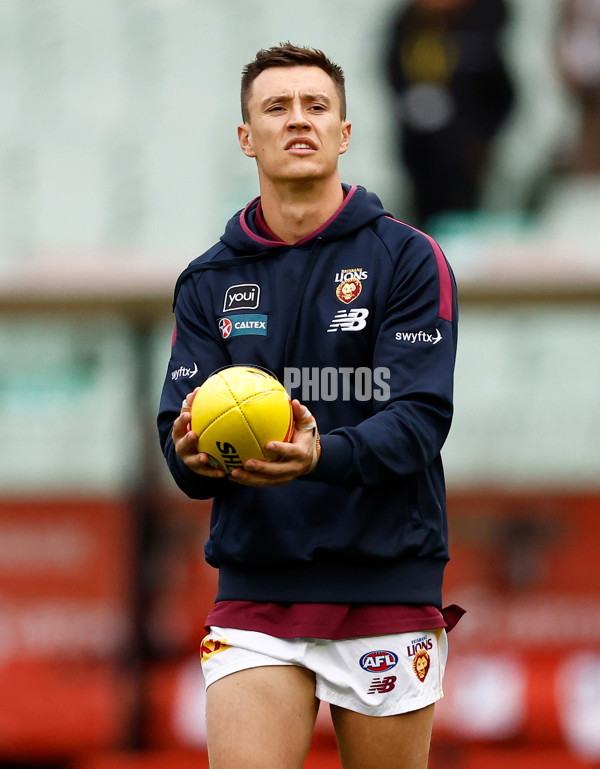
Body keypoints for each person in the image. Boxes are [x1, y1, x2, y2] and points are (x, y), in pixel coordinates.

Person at [157, 43, 462, 769]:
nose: (299, 121)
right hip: (257, 588)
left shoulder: (409, 259)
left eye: (317, 106)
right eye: (277, 107)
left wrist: (321, 453)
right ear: (247, 137)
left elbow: (419, 419)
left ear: (344, 132)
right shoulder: (207, 279)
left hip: (386, 583)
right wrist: (190, 453)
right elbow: (181, 446)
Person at [385, 0, 514, 227]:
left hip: (470, 150)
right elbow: (391, 70)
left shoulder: (487, 18)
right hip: (419, 147)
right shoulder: (406, 21)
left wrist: (480, 137)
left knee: (465, 217)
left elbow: (501, 90)